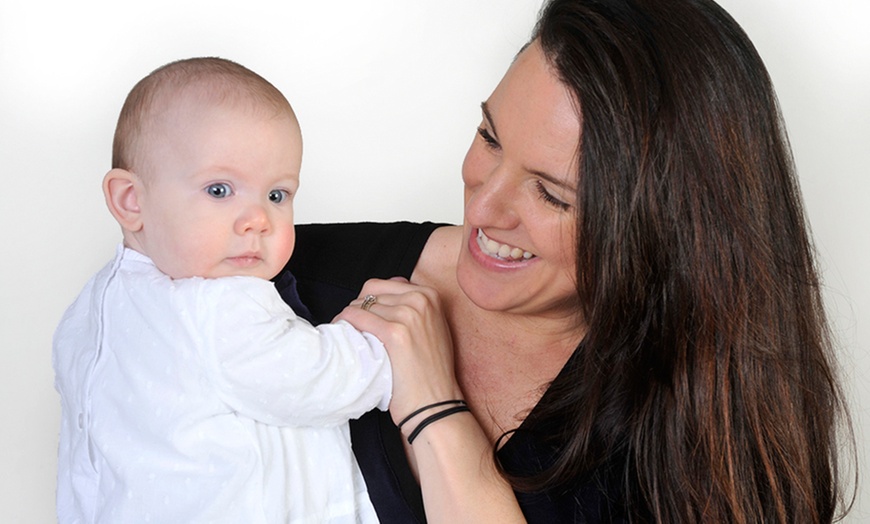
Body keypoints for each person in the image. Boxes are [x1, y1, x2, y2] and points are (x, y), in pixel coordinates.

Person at [280, 0, 856, 522]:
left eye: (552, 194)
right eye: (490, 137)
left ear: (665, 229)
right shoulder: (295, 279)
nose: (482, 207)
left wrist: (436, 413)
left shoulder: (712, 438)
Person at [52, 57, 394, 523]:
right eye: (219, 190)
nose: (258, 219)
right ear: (131, 201)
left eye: (277, 195)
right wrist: (380, 344)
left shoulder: (88, 312)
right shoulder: (219, 302)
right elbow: (317, 379)